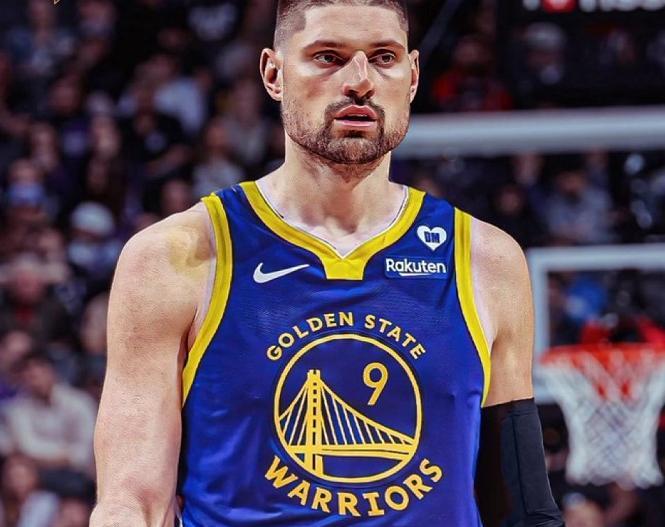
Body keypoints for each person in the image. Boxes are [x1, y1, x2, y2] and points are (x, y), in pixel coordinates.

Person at [92, 1, 563, 526]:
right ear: (273, 74)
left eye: (383, 57)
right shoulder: (175, 256)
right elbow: (133, 503)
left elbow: (521, 507)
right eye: (328, 57)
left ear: (411, 78)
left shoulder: (486, 259)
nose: (360, 81)